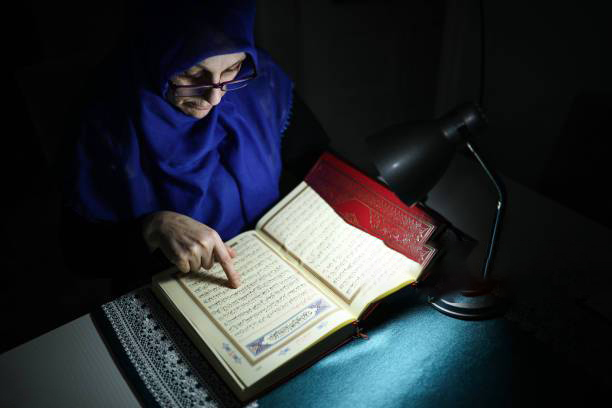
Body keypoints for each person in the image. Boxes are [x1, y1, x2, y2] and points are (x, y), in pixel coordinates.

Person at [60, 0, 328, 296]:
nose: (214, 98)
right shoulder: (103, 121)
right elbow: (80, 254)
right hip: (169, 285)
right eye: (191, 74)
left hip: (271, 266)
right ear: (155, 52)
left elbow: (318, 163)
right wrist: (152, 228)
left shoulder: (262, 82)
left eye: (232, 68)